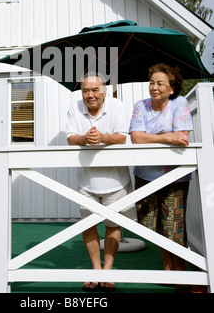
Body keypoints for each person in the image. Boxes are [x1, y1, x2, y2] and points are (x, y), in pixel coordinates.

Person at [66, 73, 135, 292]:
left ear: (104, 92)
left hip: (116, 180)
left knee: (113, 225)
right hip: (86, 182)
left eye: (95, 90)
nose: (90, 95)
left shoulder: (117, 105)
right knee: (89, 227)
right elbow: (70, 137)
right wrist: (85, 138)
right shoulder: (74, 108)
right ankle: (96, 271)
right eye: (85, 90)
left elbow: (122, 136)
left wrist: (102, 137)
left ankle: (107, 270)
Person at [129, 63, 193, 274]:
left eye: (160, 83)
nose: (154, 87)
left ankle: (180, 273)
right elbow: (136, 138)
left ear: (171, 88)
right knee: (150, 225)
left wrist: (153, 138)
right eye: (151, 83)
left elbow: (182, 136)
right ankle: (168, 266)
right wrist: (167, 136)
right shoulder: (141, 106)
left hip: (174, 176)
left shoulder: (179, 103)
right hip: (145, 175)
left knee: (173, 227)